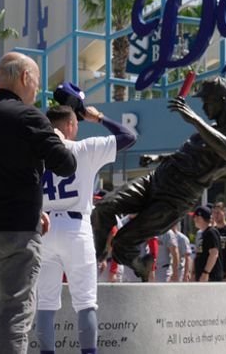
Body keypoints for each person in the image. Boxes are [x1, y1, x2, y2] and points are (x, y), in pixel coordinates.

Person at [0, 51, 77, 354]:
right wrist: (53, 134)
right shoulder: (28, 116)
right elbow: (65, 165)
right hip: (15, 232)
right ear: (24, 77)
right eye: (36, 82)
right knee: (15, 314)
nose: (37, 90)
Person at [91, 76, 226, 279]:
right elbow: (186, 155)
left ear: (222, 99)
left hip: (176, 197)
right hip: (155, 180)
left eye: (206, 101)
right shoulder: (210, 128)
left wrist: (194, 120)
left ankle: (140, 265)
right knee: (105, 207)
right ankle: (96, 258)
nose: (203, 107)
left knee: (123, 241)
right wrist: (158, 158)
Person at [37, 101, 137, 354]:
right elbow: (129, 136)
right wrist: (99, 117)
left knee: (45, 304)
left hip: (44, 228)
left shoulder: (35, 154)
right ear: (71, 125)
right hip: (75, 228)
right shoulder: (85, 147)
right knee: (85, 303)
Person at [192, 206, 224, 282]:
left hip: (210, 277)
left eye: (195, 217)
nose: (194, 220)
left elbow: (214, 254)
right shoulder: (204, 233)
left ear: (200, 218)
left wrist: (206, 273)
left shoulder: (211, 232)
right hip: (203, 276)